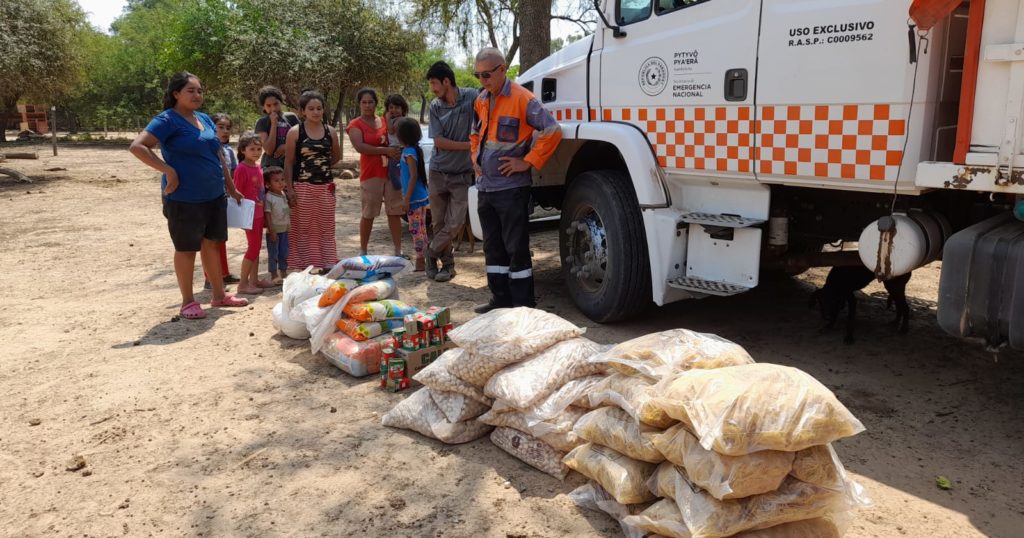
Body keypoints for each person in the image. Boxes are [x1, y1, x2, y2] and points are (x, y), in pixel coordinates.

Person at [129, 71, 249, 319]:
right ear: (176, 94)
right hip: (184, 197)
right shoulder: (166, 120)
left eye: (200, 91)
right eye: (190, 90)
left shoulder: (203, 118)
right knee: (186, 249)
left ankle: (219, 296)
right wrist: (168, 171)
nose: (197, 95)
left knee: (212, 244)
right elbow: (138, 147)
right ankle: (188, 302)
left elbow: (218, 154)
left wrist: (230, 186)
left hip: (214, 195)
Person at [469, 48, 563, 314]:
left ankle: (523, 306)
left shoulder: (523, 99)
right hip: (486, 188)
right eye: (478, 75)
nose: (482, 81)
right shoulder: (481, 100)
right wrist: (474, 157)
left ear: (502, 70)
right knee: (492, 248)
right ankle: (500, 300)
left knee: (515, 248)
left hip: (511, 190)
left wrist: (527, 161)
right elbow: (474, 133)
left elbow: (552, 130)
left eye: (486, 75)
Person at [425, 61, 478, 282]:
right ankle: (447, 266)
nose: (432, 89)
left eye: (434, 83)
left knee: (455, 223)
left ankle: (430, 252)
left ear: (446, 81)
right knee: (438, 223)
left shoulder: (472, 97)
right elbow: (439, 141)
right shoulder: (435, 106)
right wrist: (470, 146)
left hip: (462, 174)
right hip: (438, 172)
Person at [283, 90, 342, 272]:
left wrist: (320, 168)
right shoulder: (295, 132)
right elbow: (289, 162)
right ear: (303, 111)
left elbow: (336, 157)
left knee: (326, 226)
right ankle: (300, 265)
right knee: (302, 227)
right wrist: (290, 189)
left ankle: (328, 262)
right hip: (302, 187)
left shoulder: (330, 131)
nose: (316, 112)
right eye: (311, 108)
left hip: (326, 187)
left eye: (319, 108)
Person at [347, 88, 404, 256]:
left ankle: (398, 250)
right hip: (371, 173)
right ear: (359, 104)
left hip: (392, 173)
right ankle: (363, 250)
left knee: (394, 211)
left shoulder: (385, 120)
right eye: (364, 102)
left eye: (370, 102)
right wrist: (385, 151)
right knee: (369, 213)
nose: (367, 105)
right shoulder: (355, 125)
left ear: (376, 103)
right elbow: (360, 147)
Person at [233, 132, 275, 294]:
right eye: (252, 149)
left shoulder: (258, 167)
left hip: (258, 213)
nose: (256, 152)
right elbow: (237, 193)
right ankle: (243, 284)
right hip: (249, 214)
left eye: (259, 149)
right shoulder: (241, 169)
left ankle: (254, 280)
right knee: (253, 247)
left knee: (256, 248)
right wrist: (243, 215)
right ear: (243, 150)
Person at [203, 112, 241, 289]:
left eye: (228, 128)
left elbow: (232, 174)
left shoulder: (228, 151)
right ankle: (210, 278)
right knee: (209, 240)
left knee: (221, 238)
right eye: (220, 127)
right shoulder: (206, 149)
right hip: (208, 197)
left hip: (223, 198)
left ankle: (223, 273)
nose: (225, 131)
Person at [395, 117, 431, 272]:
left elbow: (413, 175)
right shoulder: (414, 150)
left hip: (414, 197)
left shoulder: (408, 153)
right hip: (421, 195)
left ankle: (420, 260)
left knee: (416, 229)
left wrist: (407, 198)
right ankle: (427, 257)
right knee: (422, 229)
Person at [254, 86, 301, 169]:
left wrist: (287, 147)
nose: (273, 109)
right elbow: (269, 150)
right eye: (268, 105)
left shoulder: (292, 117)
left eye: (276, 104)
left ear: (281, 102)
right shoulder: (261, 122)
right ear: (263, 107)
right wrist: (274, 125)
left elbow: (302, 140)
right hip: (272, 168)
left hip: (293, 166)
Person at [263, 166, 290, 284]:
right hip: (274, 231)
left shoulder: (283, 194)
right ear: (268, 184)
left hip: (284, 229)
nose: (281, 183)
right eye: (276, 181)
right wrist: (271, 230)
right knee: (273, 254)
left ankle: (283, 272)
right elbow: (267, 214)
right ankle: (274, 274)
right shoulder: (269, 197)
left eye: (282, 179)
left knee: (284, 252)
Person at [383, 94, 409, 194]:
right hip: (396, 148)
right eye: (391, 107)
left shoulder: (400, 120)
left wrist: (387, 118)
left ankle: (399, 188)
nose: (394, 110)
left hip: (398, 149)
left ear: (403, 109)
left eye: (397, 107)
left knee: (393, 170)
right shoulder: (394, 119)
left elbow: (391, 131)